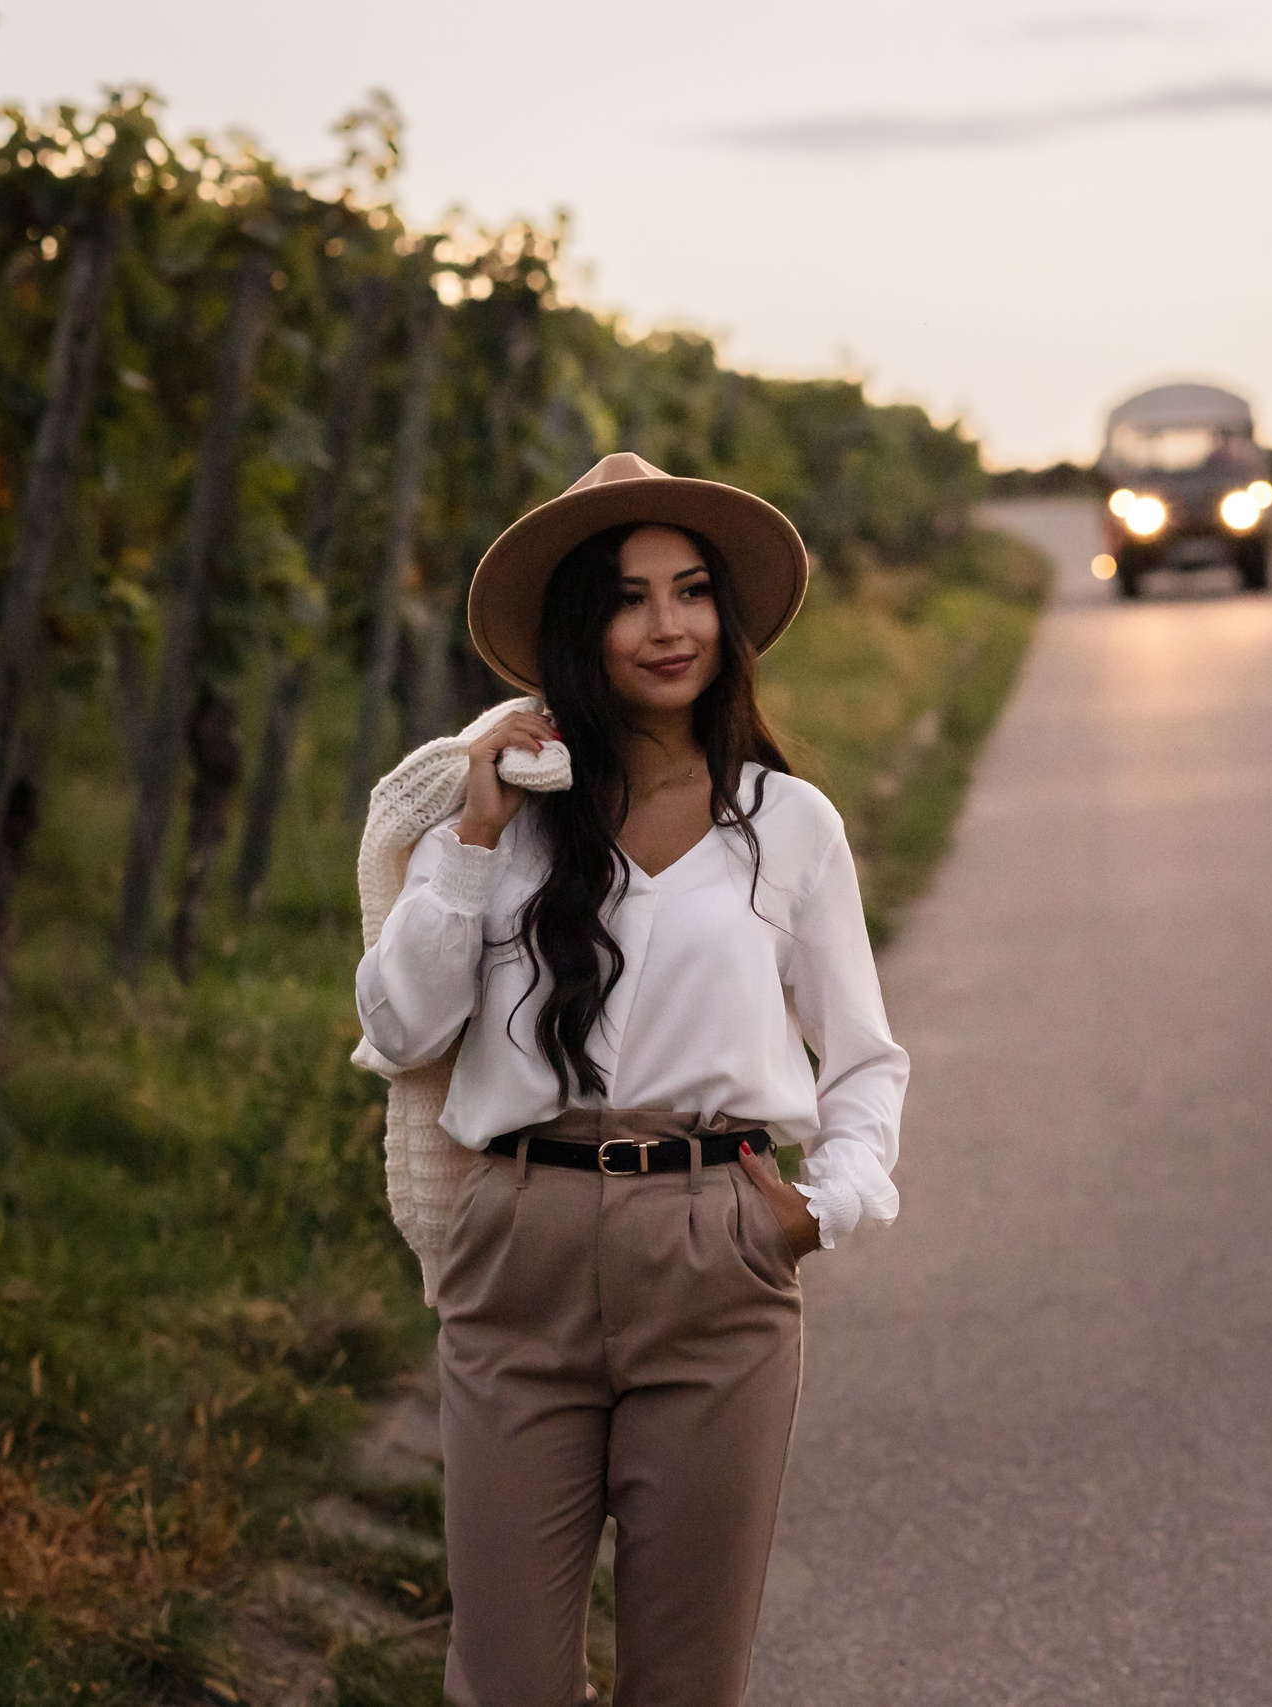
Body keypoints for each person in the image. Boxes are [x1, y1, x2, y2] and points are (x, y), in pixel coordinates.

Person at [354, 452, 909, 1706]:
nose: (668, 626)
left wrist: (820, 1209)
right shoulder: (500, 815)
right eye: (626, 597)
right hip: (519, 1251)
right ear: (576, 629)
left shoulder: (788, 823)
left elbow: (865, 1059)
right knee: (506, 1682)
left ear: (728, 616)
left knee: (686, 1682)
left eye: (692, 590)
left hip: (715, 1255)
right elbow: (396, 1030)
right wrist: (475, 839)